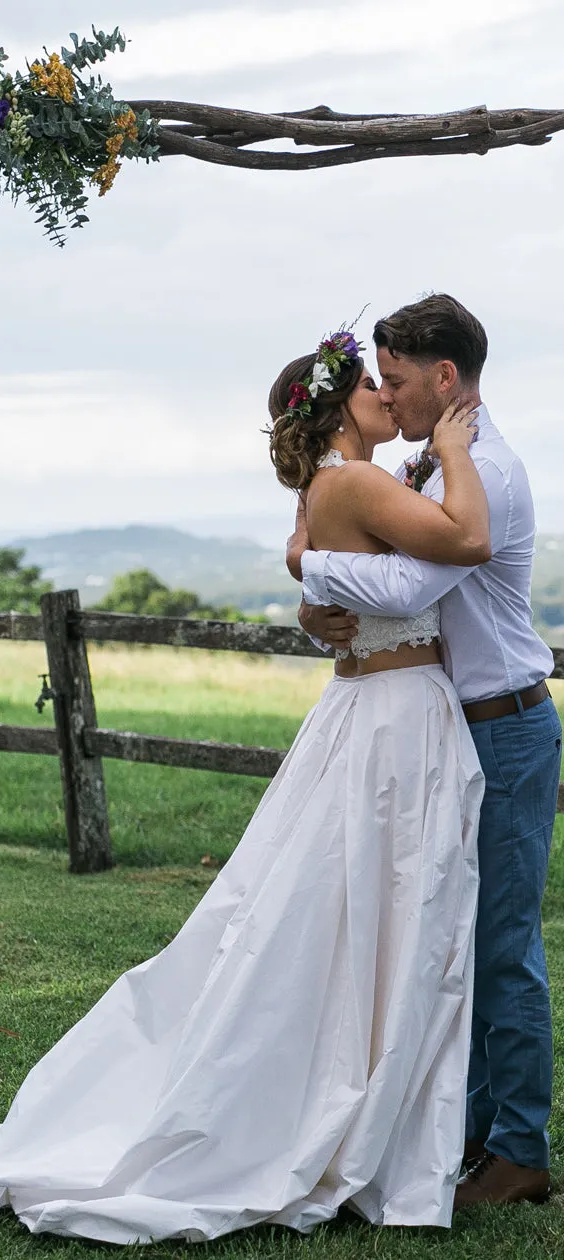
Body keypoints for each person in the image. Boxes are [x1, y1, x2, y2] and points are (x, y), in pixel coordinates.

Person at [0, 329, 486, 1243]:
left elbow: (315, 556)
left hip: (369, 710)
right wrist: (448, 452)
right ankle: (361, 1116)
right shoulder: (353, 480)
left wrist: (308, 569)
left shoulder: (329, 489)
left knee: (352, 912)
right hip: (394, 714)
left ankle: (364, 1098)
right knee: (398, 908)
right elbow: (463, 540)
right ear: (332, 405)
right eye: (368, 382)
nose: (383, 391)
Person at [289, 294, 562, 1210]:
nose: (392, 397)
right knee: (455, 928)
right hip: (456, 723)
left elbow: (411, 577)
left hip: (508, 724)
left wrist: (310, 570)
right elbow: (390, 589)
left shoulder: (485, 472)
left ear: (446, 379)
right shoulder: (433, 465)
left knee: (503, 940)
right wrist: (316, 603)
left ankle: (521, 1149)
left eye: (399, 381)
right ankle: (476, 1131)